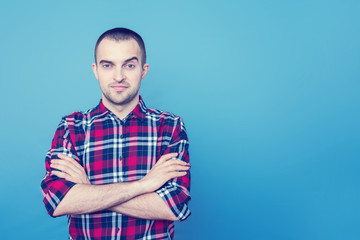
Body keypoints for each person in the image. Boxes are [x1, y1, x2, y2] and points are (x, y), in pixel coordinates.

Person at [41, 27, 191, 240]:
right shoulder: (71, 128)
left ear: (143, 70)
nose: (118, 76)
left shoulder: (170, 127)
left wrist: (88, 190)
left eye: (129, 65)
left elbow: (174, 206)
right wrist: (145, 185)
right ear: (96, 70)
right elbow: (58, 201)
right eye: (108, 65)